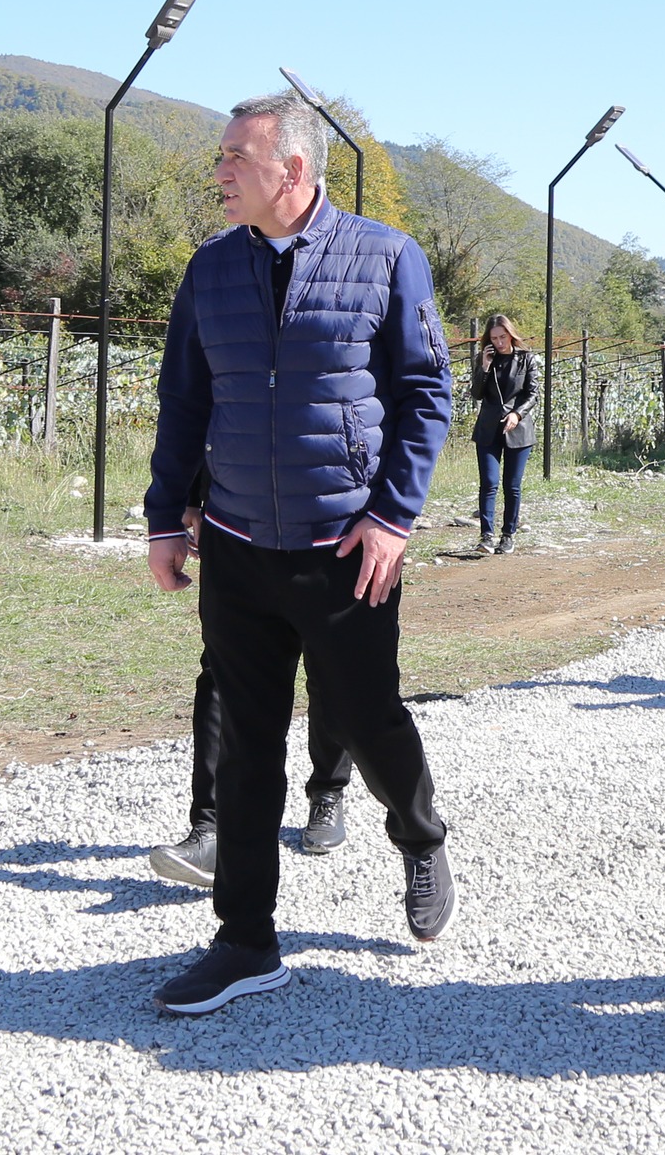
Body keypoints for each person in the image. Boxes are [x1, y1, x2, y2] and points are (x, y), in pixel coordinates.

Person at [143, 88, 457, 1016]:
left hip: (346, 546)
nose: (219, 172)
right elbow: (184, 401)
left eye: (234, 157)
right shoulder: (210, 269)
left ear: (293, 168)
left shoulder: (386, 256)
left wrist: (393, 516)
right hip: (237, 545)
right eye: (221, 156)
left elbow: (427, 395)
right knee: (248, 742)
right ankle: (245, 939)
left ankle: (420, 832)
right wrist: (165, 518)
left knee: (365, 717)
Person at [144, 469, 359, 891]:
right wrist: (188, 496)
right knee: (222, 673)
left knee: (327, 666)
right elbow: (189, 424)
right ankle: (212, 829)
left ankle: (328, 791)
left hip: (328, 515)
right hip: (233, 515)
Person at [469, 314, 537, 555]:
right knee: (489, 483)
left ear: (511, 335)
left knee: (512, 485)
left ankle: (508, 535)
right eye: (494, 338)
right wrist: (485, 367)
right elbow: (476, 393)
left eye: (502, 337)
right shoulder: (484, 359)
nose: (499, 342)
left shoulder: (526, 359)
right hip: (488, 429)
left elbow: (533, 394)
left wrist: (517, 414)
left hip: (518, 430)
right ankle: (486, 536)